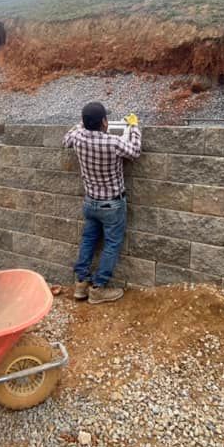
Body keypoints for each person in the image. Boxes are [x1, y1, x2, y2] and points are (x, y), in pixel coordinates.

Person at [62, 102, 141, 304]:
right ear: (104, 122)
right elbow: (134, 151)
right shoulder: (112, 143)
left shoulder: (77, 138)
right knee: (111, 245)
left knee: (88, 240)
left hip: (90, 202)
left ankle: (81, 284)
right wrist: (134, 127)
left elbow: (66, 139)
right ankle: (98, 288)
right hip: (112, 205)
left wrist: (81, 125)